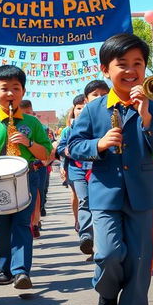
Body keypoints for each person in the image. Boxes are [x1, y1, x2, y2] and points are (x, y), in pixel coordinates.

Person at [68, 33, 153, 305]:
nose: (130, 71)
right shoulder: (93, 109)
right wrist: (98, 145)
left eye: (137, 64)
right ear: (105, 69)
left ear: (145, 68)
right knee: (109, 253)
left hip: (141, 194)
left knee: (140, 261)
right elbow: (73, 145)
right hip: (104, 194)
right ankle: (107, 293)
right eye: (121, 64)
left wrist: (146, 116)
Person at [0, 65, 52, 289]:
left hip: (26, 178)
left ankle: (21, 271)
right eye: (4, 88)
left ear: (23, 92)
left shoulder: (32, 123)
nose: (10, 94)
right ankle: (4, 268)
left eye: (16, 88)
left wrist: (29, 143)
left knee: (22, 224)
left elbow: (46, 153)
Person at [68, 80, 110, 254]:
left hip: (99, 169)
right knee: (84, 200)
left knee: (101, 206)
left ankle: (102, 243)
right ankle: (86, 235)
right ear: (86, 100)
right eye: (95, 95)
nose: (99, 98)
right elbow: (67, 146)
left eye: (103, 94)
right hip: (78, 169)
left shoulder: (111, 116)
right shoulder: (74, 124)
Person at [19, 99, 53, 237]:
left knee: (39, 193)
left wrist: (46, 160)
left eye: (30, 112)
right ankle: (31, 222)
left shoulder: (39, 126)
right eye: (25, 113)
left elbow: (48, 147)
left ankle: (35, 221)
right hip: (21, 168)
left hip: (38, 165)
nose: (29, 115)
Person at [55, 95, 86, 240]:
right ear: (73, 111)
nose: (81, 110)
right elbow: (61, 149)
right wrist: (63, 164)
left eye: (84, 107)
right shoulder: (68, 130)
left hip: (93, 169)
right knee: (80, 197)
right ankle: (79, 222)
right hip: (74, 168)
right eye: (78, 108)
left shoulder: (95, 126)